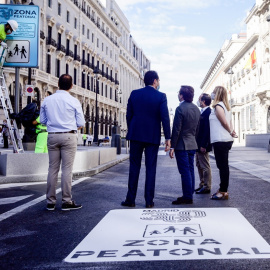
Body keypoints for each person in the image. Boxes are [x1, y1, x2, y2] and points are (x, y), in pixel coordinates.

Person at [121, 70, 171, 208]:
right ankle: (149, 201)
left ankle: (130, 199)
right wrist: (168, 137)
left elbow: (128, 115)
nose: (159, 83)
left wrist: (133, 129)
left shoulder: (134, 94)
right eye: (158, 81)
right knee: (151, 168)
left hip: (136, 135)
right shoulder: (161, 96)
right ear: (155, 81)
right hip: (152, 136)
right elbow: (165, 118)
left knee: (134, 167)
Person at [40, 74, 85, 211]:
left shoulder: (47, 100)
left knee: (52, 169)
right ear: (71, 86)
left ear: (58, 84)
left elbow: (42, 121)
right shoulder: (74, 101)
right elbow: (81, 123)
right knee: (67, 170)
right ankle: (66, 201)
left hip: (52, 136)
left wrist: (55, 123)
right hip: (69, 137)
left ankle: (50, 202)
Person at [169, 85, 200, 205]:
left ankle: (187, 197)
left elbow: (176, 129)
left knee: (184, 171)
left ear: (181, 95)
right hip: (192, 143)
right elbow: (197, 129)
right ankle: (189, 193)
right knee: (191, 169)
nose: (178, 95)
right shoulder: (196, 109)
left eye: (179, 93)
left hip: (182, 145)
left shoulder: (180, 109)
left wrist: (172, 146)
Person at [209, 86, 237, 200]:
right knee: (223, 166)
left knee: (223, 167)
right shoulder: (226, 107)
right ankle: (222, 189)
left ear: (218, 94)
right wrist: (232, 132)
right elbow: (229, 123)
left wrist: (231, 131)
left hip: (221, 140)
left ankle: (223, 191)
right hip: (224, 140)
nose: (212, 94)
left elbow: (225, 122)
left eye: (214, 92)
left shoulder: (218, 106)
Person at [195, 94, 212, 194]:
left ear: (203, 101)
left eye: (199, 99)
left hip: (203, 144)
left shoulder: (208, 113)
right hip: (198, 144)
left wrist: (204, 145)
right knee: (199, 164)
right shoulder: (202, 112)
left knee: (205, 166)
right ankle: (202, 184)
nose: (198, 101)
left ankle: (207, 186)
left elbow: (207, 131)